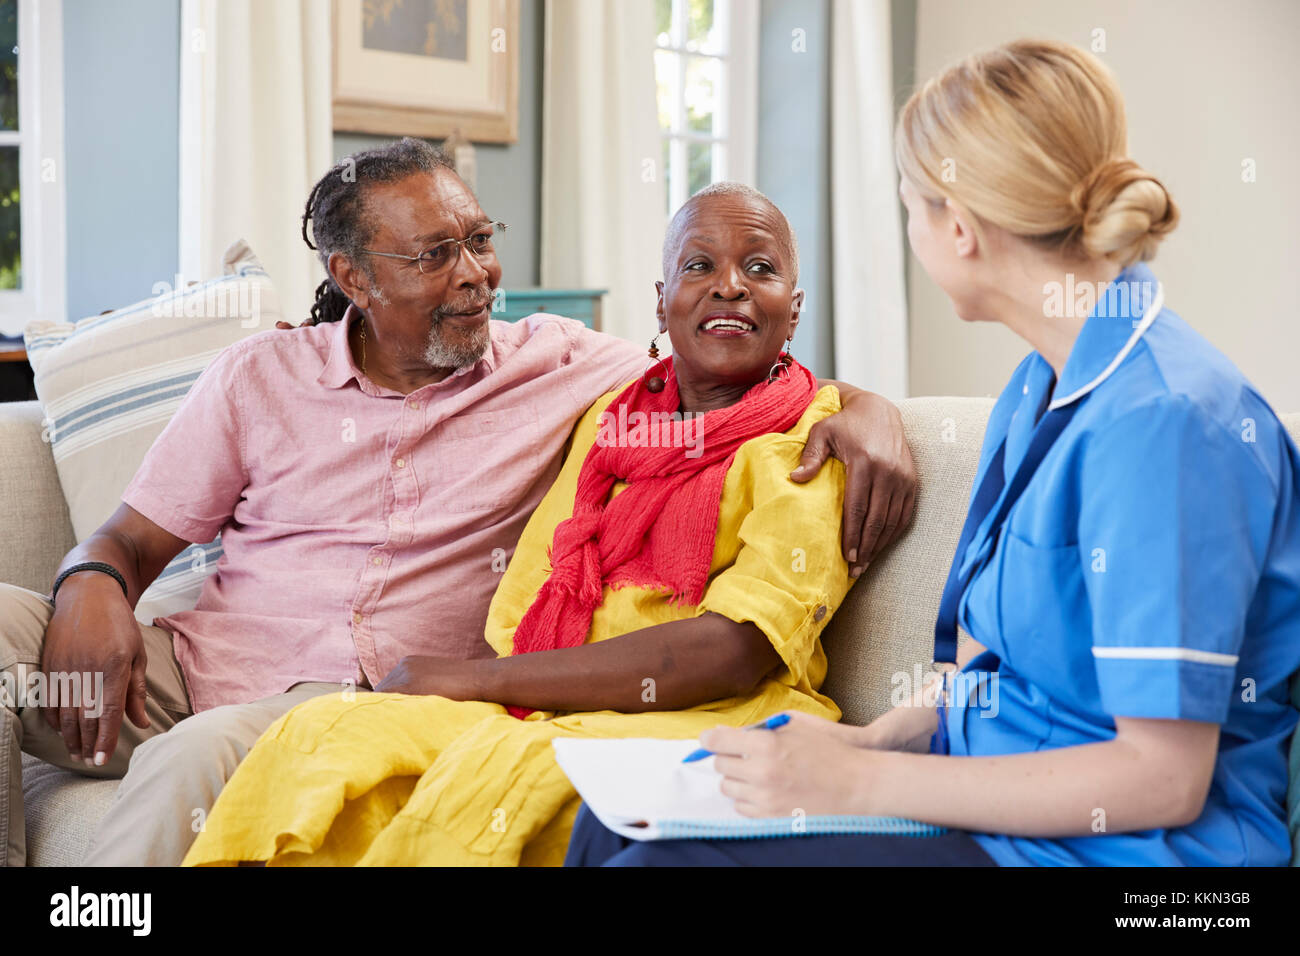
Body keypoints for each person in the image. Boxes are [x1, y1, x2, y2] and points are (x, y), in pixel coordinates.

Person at [0, 140, 918, 867]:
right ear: (354, 278)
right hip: (187, 669)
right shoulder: (258, 376)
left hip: (348, 698)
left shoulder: (562, 365)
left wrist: (870, 408)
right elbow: (128, 540)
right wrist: (91, 581)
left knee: (191, 759)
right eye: (435, 256)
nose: (475, 273)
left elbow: (728, 359)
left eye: (480, 241)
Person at [565, 38, 1300, 867]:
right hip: (985, 799)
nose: (909, 226)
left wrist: (860, 787)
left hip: (1127, 859)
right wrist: (868, 743)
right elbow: (988, 677)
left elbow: (1161, 781)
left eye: (910, 203)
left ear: (960, 227)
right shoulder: (1039, 387)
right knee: (613, 825)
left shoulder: (1165, 426)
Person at [181, 182, 857, 866]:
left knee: (490, 782)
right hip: (547, 697)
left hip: (703, 716)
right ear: (660, 300)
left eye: (761, 269)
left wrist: (474, 681)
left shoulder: (811, 443)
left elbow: (737, 652)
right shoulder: (612, 418)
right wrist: (498, 686)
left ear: (794, 310)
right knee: (324, 735)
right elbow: (524, 603)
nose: (730, 288)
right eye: (699, 266)